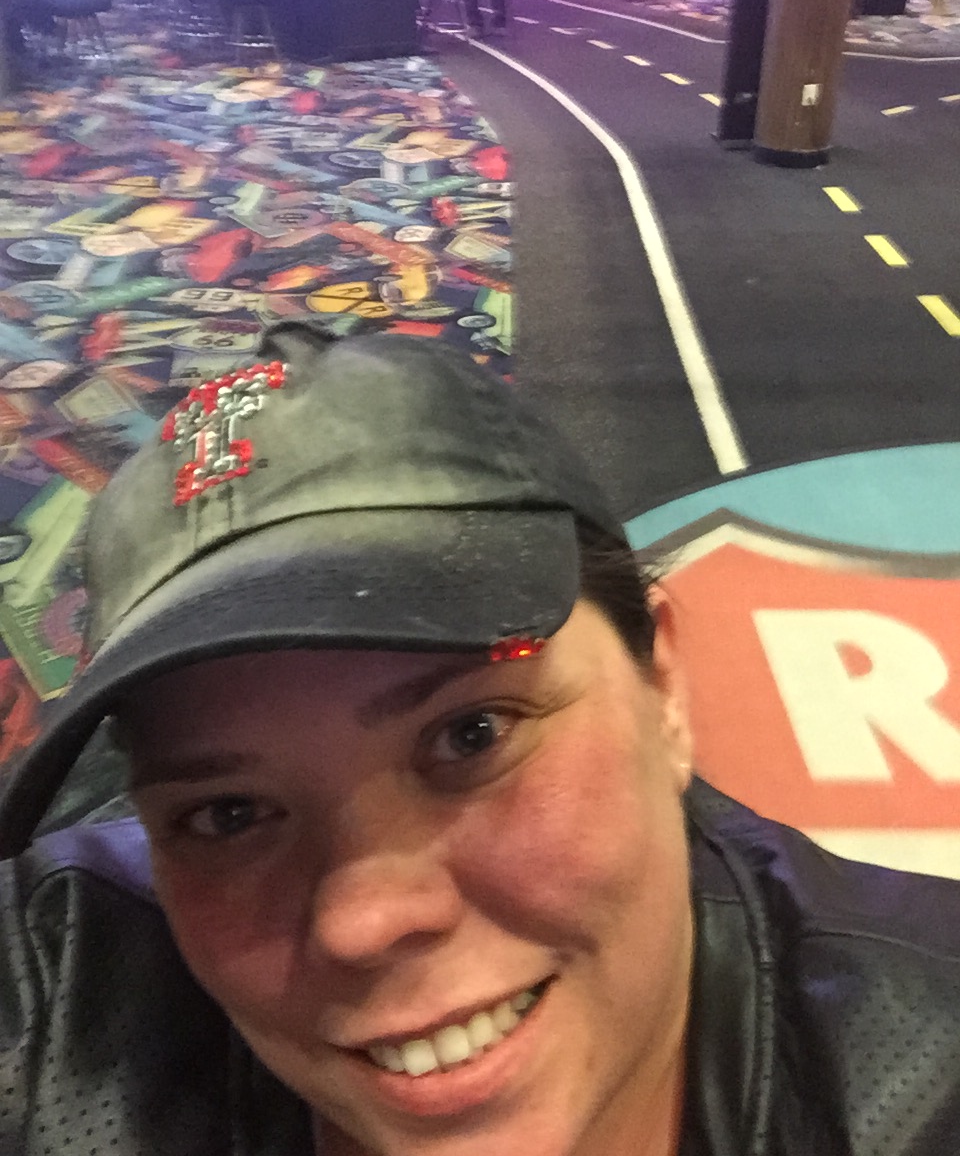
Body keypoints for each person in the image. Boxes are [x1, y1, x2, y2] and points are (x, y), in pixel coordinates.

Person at [0, 319, 958, 1155]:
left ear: (661, 685)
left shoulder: (925, 1057)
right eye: (230, 813)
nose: (364, 921)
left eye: (471, 735)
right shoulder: (52, 998)